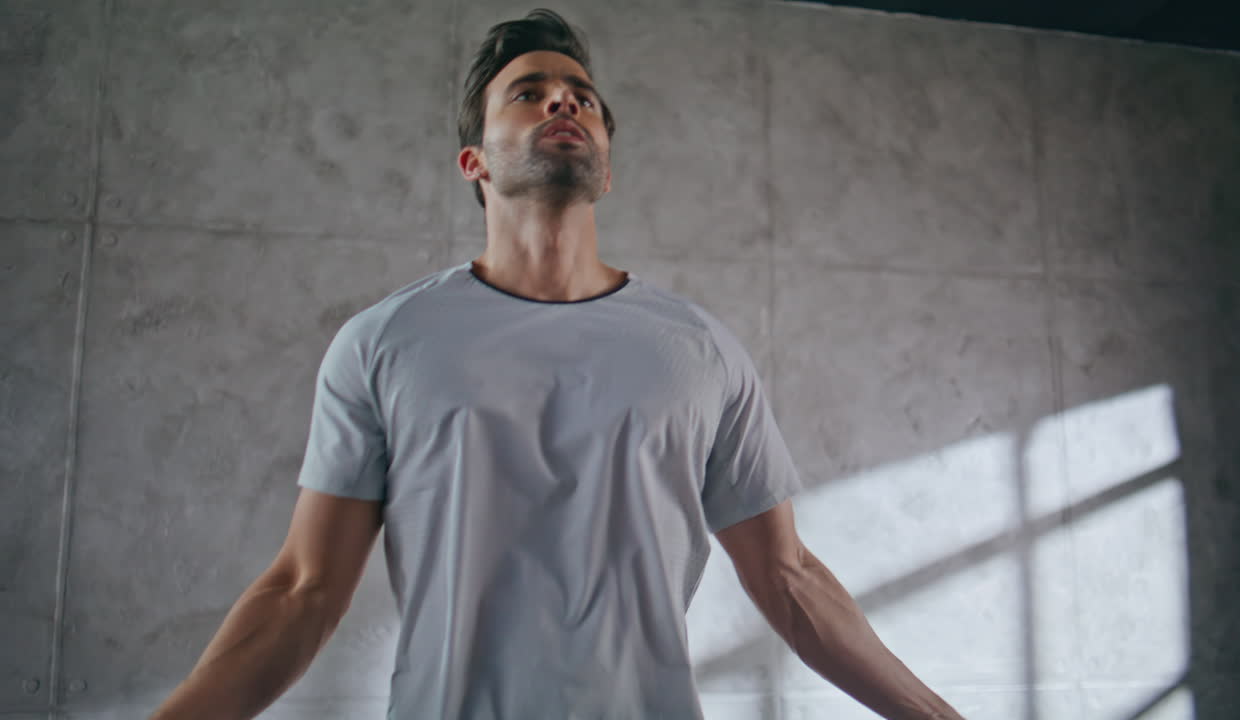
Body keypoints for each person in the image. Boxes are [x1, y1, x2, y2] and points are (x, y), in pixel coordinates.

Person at [151, 8, 964, 720]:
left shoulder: (702, 350)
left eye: (582, 97)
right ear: (474, 163)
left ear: (604, 170)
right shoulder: (382, 342)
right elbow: (303, 592)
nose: (564, 99)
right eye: (528, 91)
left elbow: (788, 580)